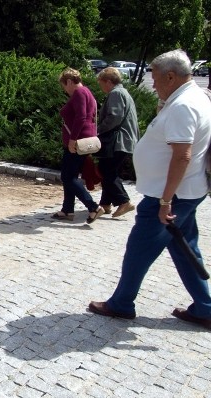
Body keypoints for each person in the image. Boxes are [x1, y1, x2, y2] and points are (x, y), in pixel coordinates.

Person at [89, 49, 211, 330]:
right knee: (184, 247)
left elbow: (182, 155)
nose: (152, 84)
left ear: (171, 76)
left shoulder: (183, 106)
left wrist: (165, 200)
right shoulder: (192, 98)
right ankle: (205, 307)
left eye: (155, 79)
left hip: (168, 196)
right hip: (186, 192)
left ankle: (121, 303)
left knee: (139, 248)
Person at [52, 68, 103, 224]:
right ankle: (67, 209)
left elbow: (81, 117)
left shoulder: (79, 93)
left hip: (77, 142)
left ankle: (93, 207)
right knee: (71, 176)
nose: (65, 90)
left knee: (67, 176)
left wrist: (72, 140)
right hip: (84, 140)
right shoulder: (88, 92)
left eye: (64, 86)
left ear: (69, 81)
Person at [96, 67, 140, 218]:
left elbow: (114, 117)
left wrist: (98, 129)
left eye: (101, 83)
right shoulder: (123, 92)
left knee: (106, 170)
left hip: (119, 141)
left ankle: (124, 201)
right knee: (108, 170)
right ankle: (105, 204)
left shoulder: (116, 93)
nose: (101, 87)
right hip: (125, 140)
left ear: (108, 82)